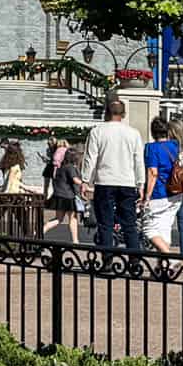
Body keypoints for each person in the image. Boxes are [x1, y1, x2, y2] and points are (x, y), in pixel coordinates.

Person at [78, 99, 146, 253]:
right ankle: (134, 259)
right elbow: (138, 161)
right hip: (127, 182)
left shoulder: (97, 131)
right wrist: (141, 184)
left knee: (105, 224)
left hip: (105, 181)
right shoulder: (133, 133)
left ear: (106, 112)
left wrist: (85, 180)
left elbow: (90, 158)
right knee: (129, 224)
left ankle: (107, 259)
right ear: (123, 114)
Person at [140, 116, 183, 252]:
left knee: (149, 229)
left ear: (153, 132)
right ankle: (163, 268)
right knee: (164, 229)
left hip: (159, 193)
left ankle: (171, 259)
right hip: (175, 192)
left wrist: (147, 197)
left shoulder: (151, 148)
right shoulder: (175, 146)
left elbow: (153, 173)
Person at [43, 140, 83, 241]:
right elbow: (75, 180)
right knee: (73, 219)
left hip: (59, 196)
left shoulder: (60, 168)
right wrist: (86, 186)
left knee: (58, 219)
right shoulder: (70, 167)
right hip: (68, 196)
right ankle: (75, 241)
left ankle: (41, 231)